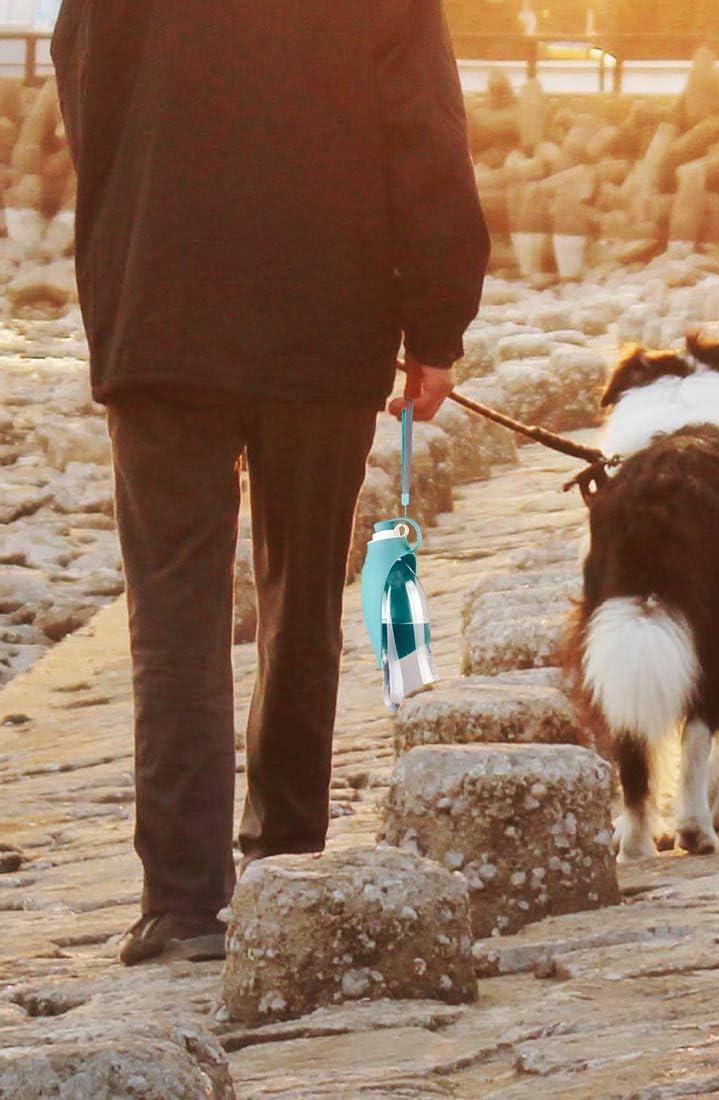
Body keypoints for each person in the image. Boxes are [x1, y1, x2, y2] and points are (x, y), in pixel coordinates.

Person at [49, 1, 489, 966]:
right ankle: (286, 854)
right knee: (298, 600)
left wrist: (129, 247)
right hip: (324, 311)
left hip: (159, 305)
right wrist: (437, 321)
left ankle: (181, 904)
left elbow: (86, 90)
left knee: (172, 608)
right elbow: (425, 127)